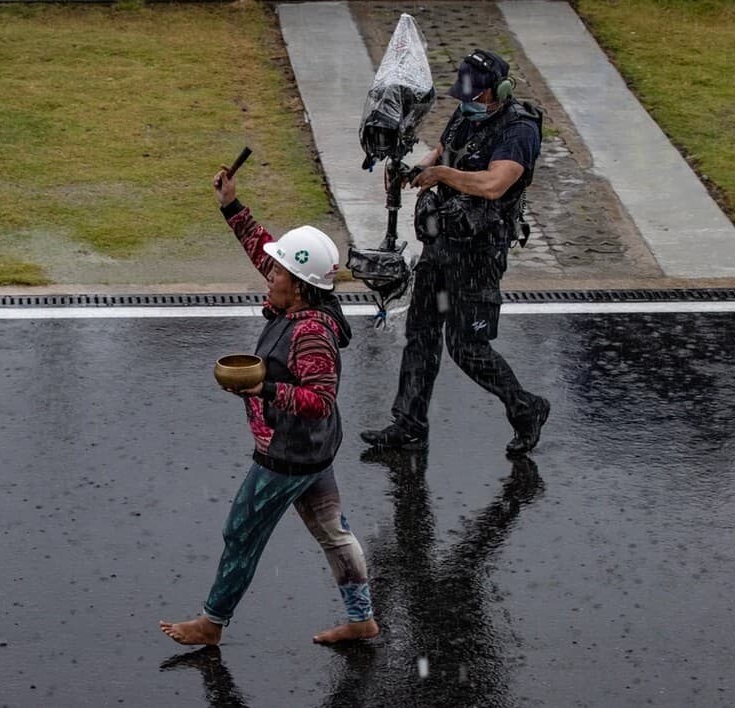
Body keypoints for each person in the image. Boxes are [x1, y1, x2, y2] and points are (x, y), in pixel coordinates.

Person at [159, 167, 378, 647]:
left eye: (278, 271)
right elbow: (265, 250)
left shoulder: (311, 333)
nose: (269, 273)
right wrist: (231, 206)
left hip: (289, 454)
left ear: (298, 285)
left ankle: (212, 622)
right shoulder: (297, 300)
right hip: (313, 452)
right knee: (333, 533)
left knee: (241, 532)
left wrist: (262, 392)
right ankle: (362, 619)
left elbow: (319, 402)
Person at [362, 49, 550, 456]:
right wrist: (414, 172)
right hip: (442, 243)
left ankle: (526, 408)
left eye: (474, 96)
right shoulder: (466, 114)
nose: (466, 103)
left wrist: (442, 175)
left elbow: (494, 185)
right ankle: (408, 424)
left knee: (467, 347)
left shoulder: (519, 131)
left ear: (498, 91)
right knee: (421, 333)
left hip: (479, 255)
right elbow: (442, 152)